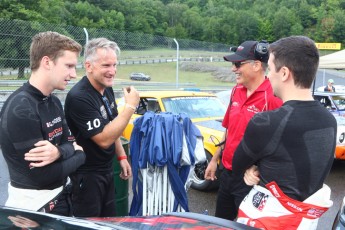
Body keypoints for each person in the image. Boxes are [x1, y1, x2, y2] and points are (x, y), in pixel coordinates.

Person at [232, 36, 336, 229]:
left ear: (285, 73)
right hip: (306, 222)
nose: (268, 75)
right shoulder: (330, 120)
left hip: (269, 221)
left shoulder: (266, 121)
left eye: (270, 69)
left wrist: (253, 167)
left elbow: (237, 164)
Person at [0, 31, 85, 216]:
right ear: (47, 62)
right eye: (69, 66)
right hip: (33, 210)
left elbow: (69, 143)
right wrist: (76, 153)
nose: (74, 74)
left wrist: (59, 152)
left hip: (62, 197)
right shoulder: (20, 109)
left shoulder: (52, 101)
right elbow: (42, 176)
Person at [204, 40, 283, 220]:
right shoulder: (235, 91)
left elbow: (279, 144)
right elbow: (229, 130)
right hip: (226, 173)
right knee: (220, 223)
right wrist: (214, 160)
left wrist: (258, 168)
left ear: (256, 65)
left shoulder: (273, 97)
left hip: (250, 180)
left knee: (246, 225)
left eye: (238, 64)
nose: (233, 69)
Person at [64, 38, 140, 217]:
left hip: (106, 170)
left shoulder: (106, 89)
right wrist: (130, 107)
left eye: (115, 65)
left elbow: (112, 125)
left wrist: (121, 156)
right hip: (87, 175)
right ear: (89, 66)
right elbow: (104, 139)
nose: (112, 71)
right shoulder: (79, 97)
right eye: (106, 65)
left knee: (109, 221)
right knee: (90, 225)